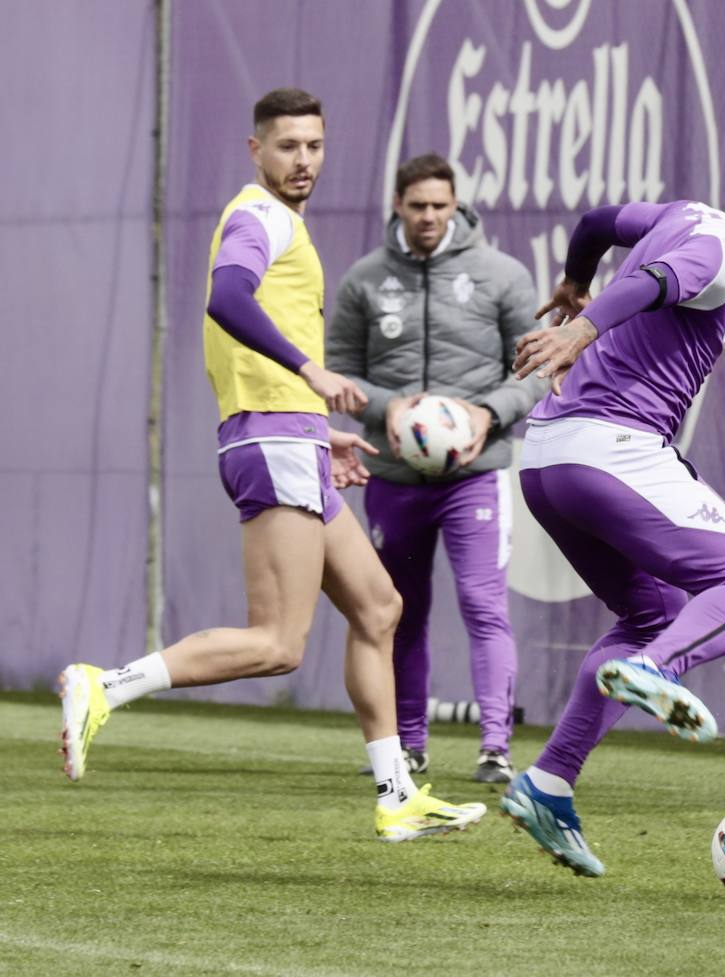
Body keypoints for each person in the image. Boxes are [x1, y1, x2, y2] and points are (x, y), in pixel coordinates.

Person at [57, 88, 485, 842]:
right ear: (257, 151)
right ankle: (103, 685)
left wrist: (324, 433)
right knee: (279, 643)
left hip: (295, 440)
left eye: (315, 145)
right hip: (273, 442)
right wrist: (312, 376)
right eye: (288, 146)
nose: (304, 160)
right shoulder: (258, 215)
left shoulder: (287, 223)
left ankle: (397, 795)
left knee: (380, 608)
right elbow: (227, 297)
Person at [499, 182, 725, 877]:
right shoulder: (724, 253)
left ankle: (548, 783)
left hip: (545, 459)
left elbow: (599, 221)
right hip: (606, 449)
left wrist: (575, 280)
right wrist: (582, 326)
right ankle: (654, 669)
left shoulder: (688, 215)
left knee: (652, 611)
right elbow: (665, 279)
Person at [326, 152, 544, 784]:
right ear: (397, 204)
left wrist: (487, 416)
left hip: (474, 476)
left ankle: (496, 748)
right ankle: (410, 744)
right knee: (398, 610)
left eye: (439, 206)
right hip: (394, 478)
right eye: (416, 206)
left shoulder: (501, 275)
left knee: (483, 604)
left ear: (456, 207)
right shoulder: (365, 280)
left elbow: (533, 370)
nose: (427, 217)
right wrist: (389, 408)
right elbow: (337, 371)